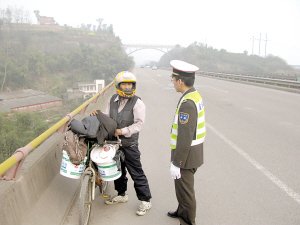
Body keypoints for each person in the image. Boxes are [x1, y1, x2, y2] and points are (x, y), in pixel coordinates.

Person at [92, 71, 152, 216]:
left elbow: (139, 124)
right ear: (118, 86)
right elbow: (107, 116)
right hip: (113, 143)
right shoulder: (112, 99)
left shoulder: (138, 102)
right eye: (124, 84)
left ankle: (145, 200)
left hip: (129, 144)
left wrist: (123, 131)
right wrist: (98, 114)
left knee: (136, 172)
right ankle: (121, 194)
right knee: (118, 170)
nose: (127, 87)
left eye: (130, 84)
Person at [167, 60, 206, 225]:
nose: (172, 81)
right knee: (181, 188)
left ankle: (188, 221)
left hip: (186, 156)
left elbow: (185, 137)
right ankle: (181, 211)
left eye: (173, 78)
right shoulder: (193, 95)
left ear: (180, 81)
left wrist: (178, 162)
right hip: (191, 153)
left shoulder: (188, 104)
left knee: (186, 192)